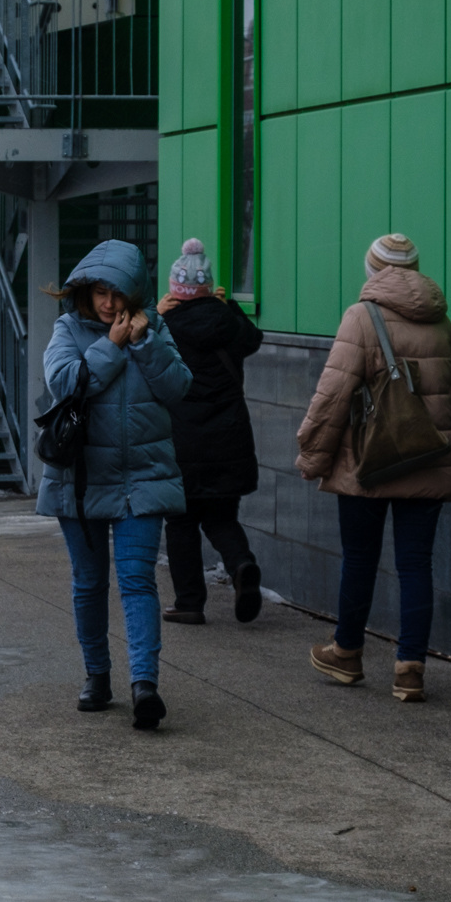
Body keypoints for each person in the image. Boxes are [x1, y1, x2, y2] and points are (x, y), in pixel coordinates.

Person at [296, 233, 451, 703]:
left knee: (360, 558)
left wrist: (313, 455)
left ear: (373, 272)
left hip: (366, 462)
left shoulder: (361, 316)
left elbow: (333, 396)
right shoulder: (442, 321)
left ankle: (347, 653)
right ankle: (410, 668)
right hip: (428, 456)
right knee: (416, 565)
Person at [39, 240, 193, 730]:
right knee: (89, 583)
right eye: (100, 292)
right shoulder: (69, 329)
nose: (108, 303)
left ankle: (144, 684)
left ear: (135, 292)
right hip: (79, 481)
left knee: (137, 581)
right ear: (86, 292)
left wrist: (146, 343)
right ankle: (97, 675)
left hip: (142, 479)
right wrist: (113, 346)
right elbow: (63, 382)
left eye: (117, 292)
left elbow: (178, 388)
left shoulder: (157, 329)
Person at [155, 238, 266, 625]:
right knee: (221, 516)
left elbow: (138, 358)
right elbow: (253, 339)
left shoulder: (165, 327)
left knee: (181, 521)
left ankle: (188, 602)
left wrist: (155, 314)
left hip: (181, 441)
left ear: (175, 289)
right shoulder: (228, 324)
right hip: (229, 439)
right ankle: (241, 565)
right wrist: (227, 306)